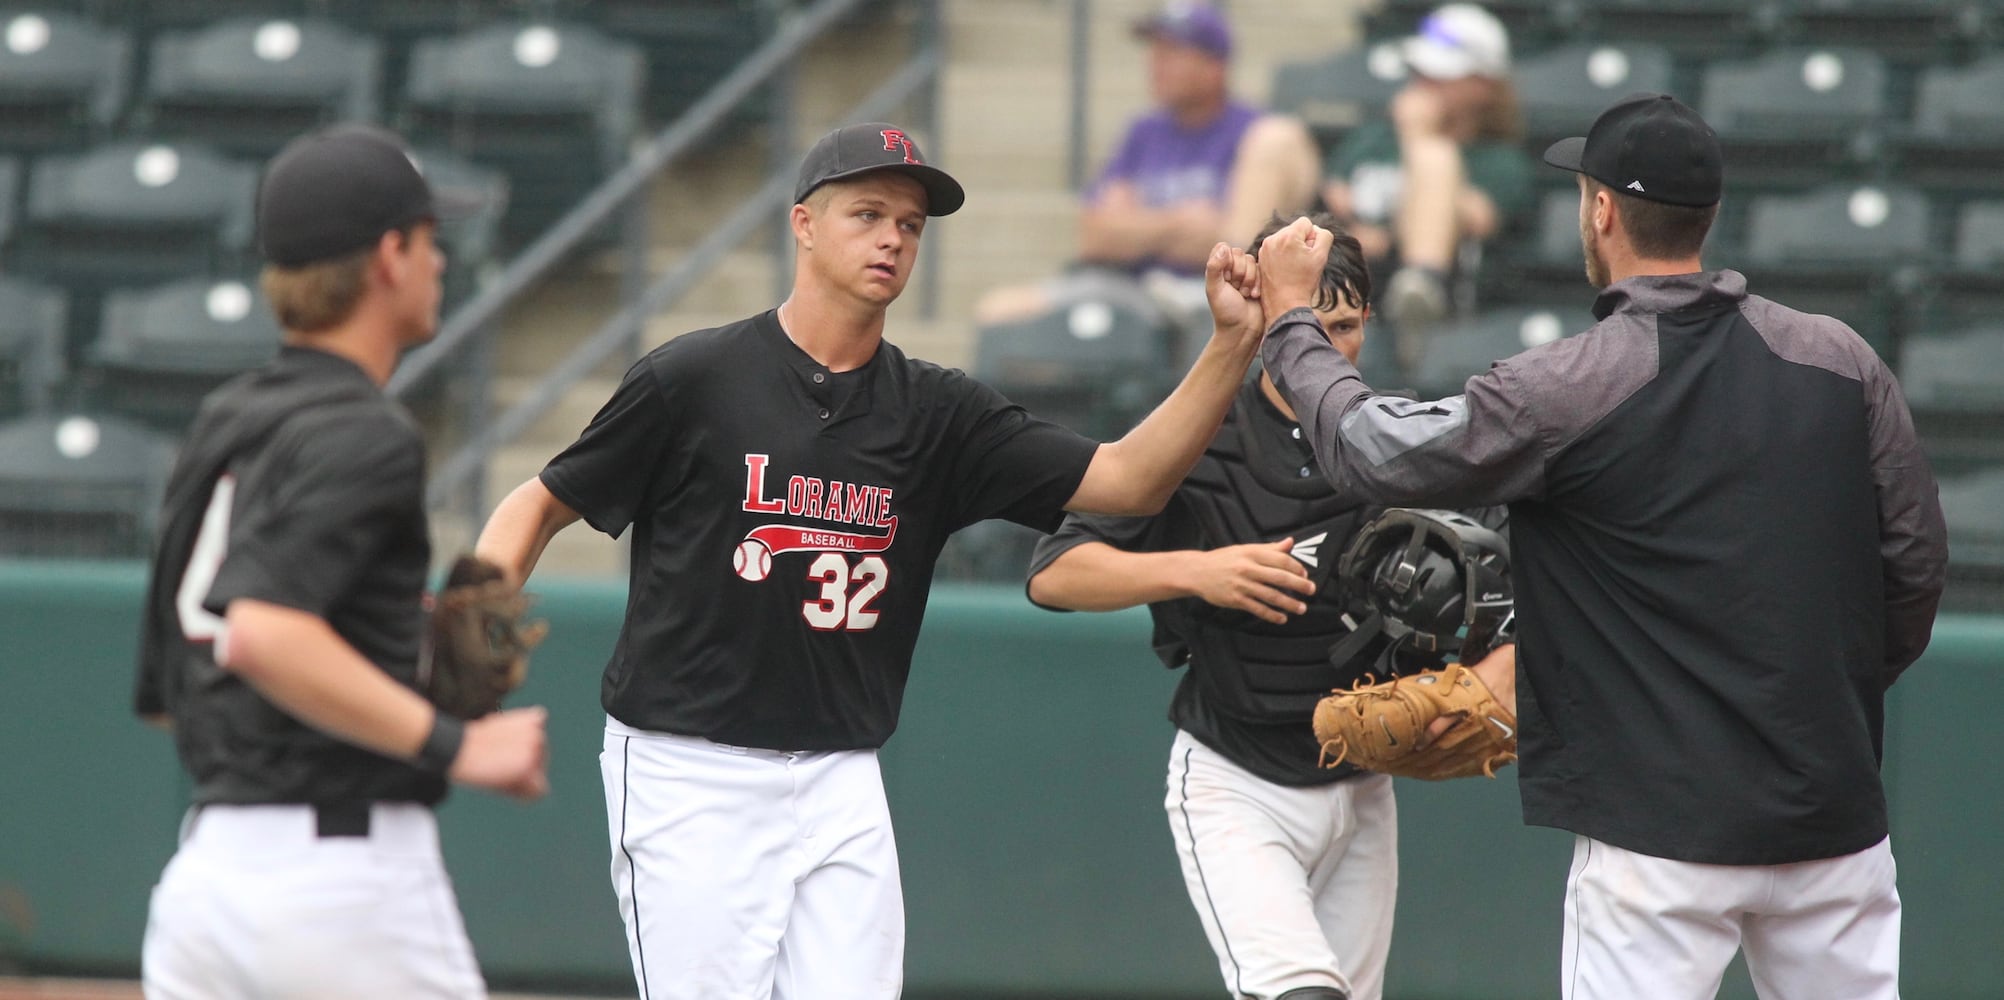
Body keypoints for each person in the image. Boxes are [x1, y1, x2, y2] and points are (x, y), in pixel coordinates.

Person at [473, 120, 1271, 998]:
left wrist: (1231, 344)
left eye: (911, 223)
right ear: (804, 224)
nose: (893, 237)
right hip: (688, 768)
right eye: (868, 213)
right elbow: (538, 502)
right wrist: (477, 620)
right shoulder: (694, 379)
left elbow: (1128, 481)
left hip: (840, 775)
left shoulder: (938, 413)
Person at [1254, 94, 1949, 1000]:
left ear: (1603, 212)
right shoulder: (1841, 359)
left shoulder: (1572, 384)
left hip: (1654, 839)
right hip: (1832, 823)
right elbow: (1916, 564)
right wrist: (1820, 698)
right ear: (1708, 214)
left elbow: (1373, 450)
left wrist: (1292, 325)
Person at [1024, 214, 1515, 1000]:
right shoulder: (1197, 434)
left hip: (1362, 786)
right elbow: (1055, 573)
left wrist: (1496, 670)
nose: (1327, 345)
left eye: (1348, 325)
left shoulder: (1398, 436)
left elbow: (1513, 571)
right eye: (1310, 323)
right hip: (1235, 778)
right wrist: (1196, 571)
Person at [133, 124, 551, 999]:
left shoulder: (224, 419)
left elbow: (179, 694)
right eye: (432, 240)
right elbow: (263, 633)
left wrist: (387, 645)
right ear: (391, 255)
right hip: (341, 888)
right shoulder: (366, 432)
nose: (442, 261)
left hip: (206, 881)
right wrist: (455, 744)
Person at [975, 1, 1320, 345]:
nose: (1155, 63)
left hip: (1207, 295)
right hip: (1127, 286)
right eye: (1154, 50)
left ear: (1214, 65)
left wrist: (1138, 226)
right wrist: (1182, 223)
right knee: (997, 312)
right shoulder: (1143, 131)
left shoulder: (1257, 133)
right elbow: (1094, 236)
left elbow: (1236, 246)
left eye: (1172, 51)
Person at [1319, 3, 1533, 369]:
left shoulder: (1497, 159)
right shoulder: (1376, 138)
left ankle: (1418, 291)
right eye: (1419, 73)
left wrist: (1419, 138)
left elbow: (1477, 218)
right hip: (1353, 275)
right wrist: (1358, 232)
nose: (1422, 85)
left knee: (1435, 158)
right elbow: (1335, 190)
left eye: (1439, 77)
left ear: (1482, 86)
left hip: (1447, 300)